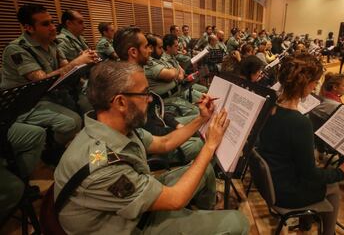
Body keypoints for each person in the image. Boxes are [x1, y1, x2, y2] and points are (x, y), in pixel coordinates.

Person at [54, 61, 249, 234]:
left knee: (205, 170)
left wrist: (201, 119)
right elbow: (176, 199)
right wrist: (210, 145)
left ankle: (203, 218)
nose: (150, 99)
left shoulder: (114, 126)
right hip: (129, 226)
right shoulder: (103, 166)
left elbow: (164, 143)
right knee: (237, 222)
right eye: (145, 93)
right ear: (120, 102)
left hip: (131, 208)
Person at [258, 54, 344, 235]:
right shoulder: (299, 122)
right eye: (315, 82)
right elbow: (310, 175)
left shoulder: (269, 105)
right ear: (304, 83)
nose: (315, 87)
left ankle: (306, 223)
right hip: (284, 192)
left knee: (320, 173)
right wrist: (341, 172)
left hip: (268, 181)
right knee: (333, 186)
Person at [0, 4, 96, 152]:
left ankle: (69, 147)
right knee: (72, 122)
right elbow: (41, 80)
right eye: (45, 24)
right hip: (22, 104)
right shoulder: (17, 49)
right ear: (29, 28)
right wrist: (77, 62)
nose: (52, 27)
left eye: (51, 22)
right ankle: (58, 152)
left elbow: (66, 68)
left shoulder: (52, 43)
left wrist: (86, 63)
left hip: (47, 96)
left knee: (84, 108)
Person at [113, 27, 199, 124]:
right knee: (198, 117)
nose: (149, 51)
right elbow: (146, 125)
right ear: (133, 52)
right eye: (146, 47)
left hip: (158, 116)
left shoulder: (136, 70)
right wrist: (174, 127)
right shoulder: (127, 78)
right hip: (159, 116)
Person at [161, 34, 208, 102]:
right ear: (168, 47)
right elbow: (180, 77)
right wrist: (181, 74)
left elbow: (182, 72)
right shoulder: (165, 59)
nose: (178, 48)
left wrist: (182, 74)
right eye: (176, 46)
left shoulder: (172, 56)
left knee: (204, 89)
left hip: (183, 82)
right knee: (203, 98)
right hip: (178, 88)